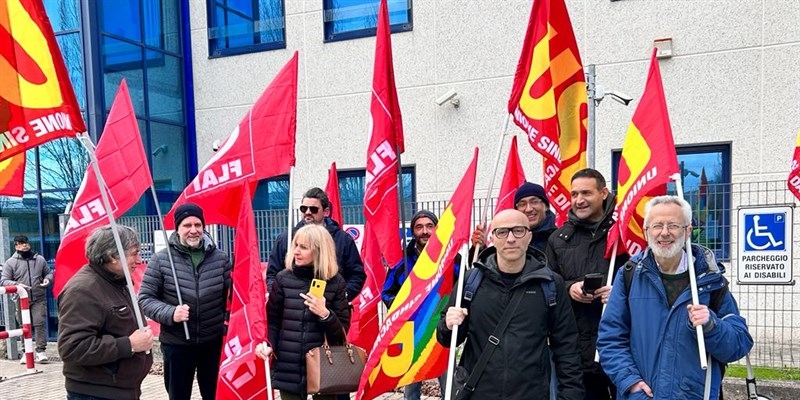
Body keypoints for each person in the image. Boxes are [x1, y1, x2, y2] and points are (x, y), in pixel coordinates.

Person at [597, 195, 753, 399]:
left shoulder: (710, 280)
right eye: (657, 225)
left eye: (673, 225)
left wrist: (711, 326)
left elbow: (739, 345)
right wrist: (631, 382)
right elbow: (610, 338)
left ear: (687, 231)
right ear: (646, 231)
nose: (664, 232)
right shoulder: (629, 275)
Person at [436, 209, 584, 400]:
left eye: (518, 231)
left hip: (531, 393)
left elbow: (566, 345)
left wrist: (571, 394)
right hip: (479, 393)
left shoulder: (550, 283)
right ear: (493, 238)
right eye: (502, 232)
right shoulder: (471, 281)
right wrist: (448, 325)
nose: (511, 239)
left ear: (529, 236)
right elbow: (447, 339)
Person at [545, 168, 627, 400]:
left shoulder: (624, 232)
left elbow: (644, 281)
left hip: (622, 347)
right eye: (574, 194)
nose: (579, 200)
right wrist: (569, 287)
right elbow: (548, 284)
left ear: (603, 193)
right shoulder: (558, 239)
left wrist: (619, 294)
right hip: (577, 351)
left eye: (586, 193)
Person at [139, 203, 232, 400]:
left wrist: (225, 324)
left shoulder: (221, 259)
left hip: (213, 344)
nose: (193, 230)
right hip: (177, 344)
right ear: (177, 228)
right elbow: (145, 299)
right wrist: (170, 313)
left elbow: (232, 297)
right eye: (187, 225)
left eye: (198, 225)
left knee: (216, 396)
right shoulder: (161, 260)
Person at [57, 225, 154, 400]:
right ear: (112, 256)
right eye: (134, 253)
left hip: (120, 390)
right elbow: (72, 348)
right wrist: (129, 344)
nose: (139, 260)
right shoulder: (83, 290)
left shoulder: (116, 282)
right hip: (95, 393)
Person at [256, 224, 350, 400]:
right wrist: (269, 344)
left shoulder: (336, 283)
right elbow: (273, 320)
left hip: (324, 366)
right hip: (288, 366)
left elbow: (341, 333)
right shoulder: (283, 278)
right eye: (296, 245)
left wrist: (325, 314)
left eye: (304, 247)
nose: (296, 251)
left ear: (319, 251)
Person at [381, 210, 459, 400]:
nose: (425, 231)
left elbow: (463, 286)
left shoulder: (451, 257)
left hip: (442, 329)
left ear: (437, 229)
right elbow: (387, 292)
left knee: (450, 384)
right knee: (411, 386)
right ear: (413, 231)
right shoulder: (402, 262)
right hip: (412, 332)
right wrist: (405, 308)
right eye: (419, 227)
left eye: (430, 226)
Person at [268, 187, 365, 302]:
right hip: (293, 307)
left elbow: (356, 275)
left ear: (326, 212)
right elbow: (272, 274)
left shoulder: (343, 239)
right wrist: (279, 297)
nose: (307, 212)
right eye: (304, 208)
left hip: (330, 307)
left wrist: (341, 297)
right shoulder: (286, 238)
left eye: (313, 209)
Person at [1, 235, 52, 363]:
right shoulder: (10, 263)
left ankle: (40, 351)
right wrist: (17, 285)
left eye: (25, 243)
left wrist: (48, 279)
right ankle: (26, 351)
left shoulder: (39, 259)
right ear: (16, 246)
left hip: (38, 297)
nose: (24, 245)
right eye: (21, 243)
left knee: (39, 323)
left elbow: (48, 273)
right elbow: (4, 280)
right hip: (20, 299)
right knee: (24, 325)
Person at [471, 181, 557, 253]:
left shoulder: (559, 238)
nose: (528, 209)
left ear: (546, 206)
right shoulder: (509, 236)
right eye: (522, 204)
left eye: (534, 202)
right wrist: (480, 248)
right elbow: (493, 265)